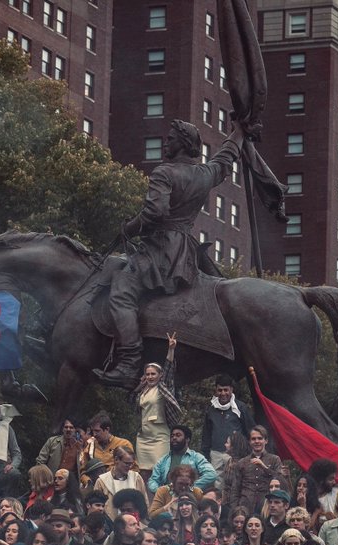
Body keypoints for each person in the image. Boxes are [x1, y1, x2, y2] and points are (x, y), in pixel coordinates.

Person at [93, 117, 246, 388]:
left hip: (160, 249)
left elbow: (156, 211)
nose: (167, 142)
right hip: (184, 251)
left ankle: (129, 361)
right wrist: (239, 132)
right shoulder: (205, 173)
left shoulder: (164, 173)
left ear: (183, 143)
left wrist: (129, 227)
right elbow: (225, 158)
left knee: (121, 291)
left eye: (171, 138)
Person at [126, 335, 181, 474]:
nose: (150, 376)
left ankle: (160, 495)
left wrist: (171, 349)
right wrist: (140, 385)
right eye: (148, 374)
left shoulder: (163, 387)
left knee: (160, 471)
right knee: (143, 472)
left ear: (159, 375)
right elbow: (131, 400)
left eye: (153, 374)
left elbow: (168, 369)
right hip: (143, 437)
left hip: (159, 436)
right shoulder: (143, 391)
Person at [225, 426, 280, 515]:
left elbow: (279, 480)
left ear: (266, 441)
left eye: (260, 438)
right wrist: (235, 511)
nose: (257, 441)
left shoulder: (274, 459)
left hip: (266, 508)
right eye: (253, 439)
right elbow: (235, 489)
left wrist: (264, 467)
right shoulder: (242, 462)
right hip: (245, 508)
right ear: (250, 442)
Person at [147, 425, 216, 493]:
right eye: (172, 436)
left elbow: (211, 474)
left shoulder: (196, 457)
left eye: (178, 435)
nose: (174, 438)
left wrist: (191, 488)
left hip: (190, 498)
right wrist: (162, 492)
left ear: (187, 439)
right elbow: (153, 481)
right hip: (168, 499)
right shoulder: (163, 460)